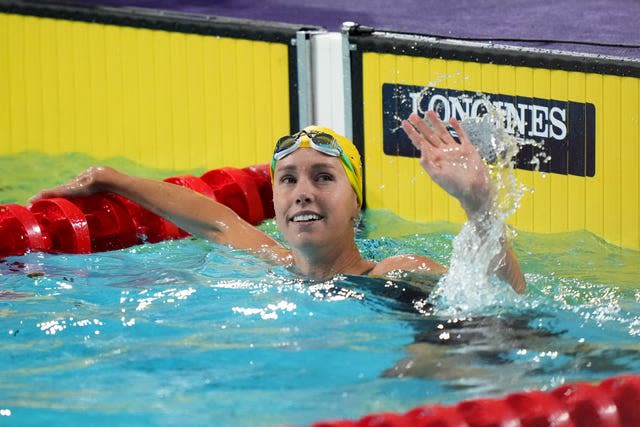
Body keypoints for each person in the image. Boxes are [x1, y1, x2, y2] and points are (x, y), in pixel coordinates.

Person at [31, 111, 525, 294]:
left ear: (357, 205)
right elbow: (218, 221)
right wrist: (111, 180)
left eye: (323, 177)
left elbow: (506, 302)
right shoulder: (277, 265)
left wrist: (479, 206)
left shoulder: (395, 272)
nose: (303, 192)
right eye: (287, 180)